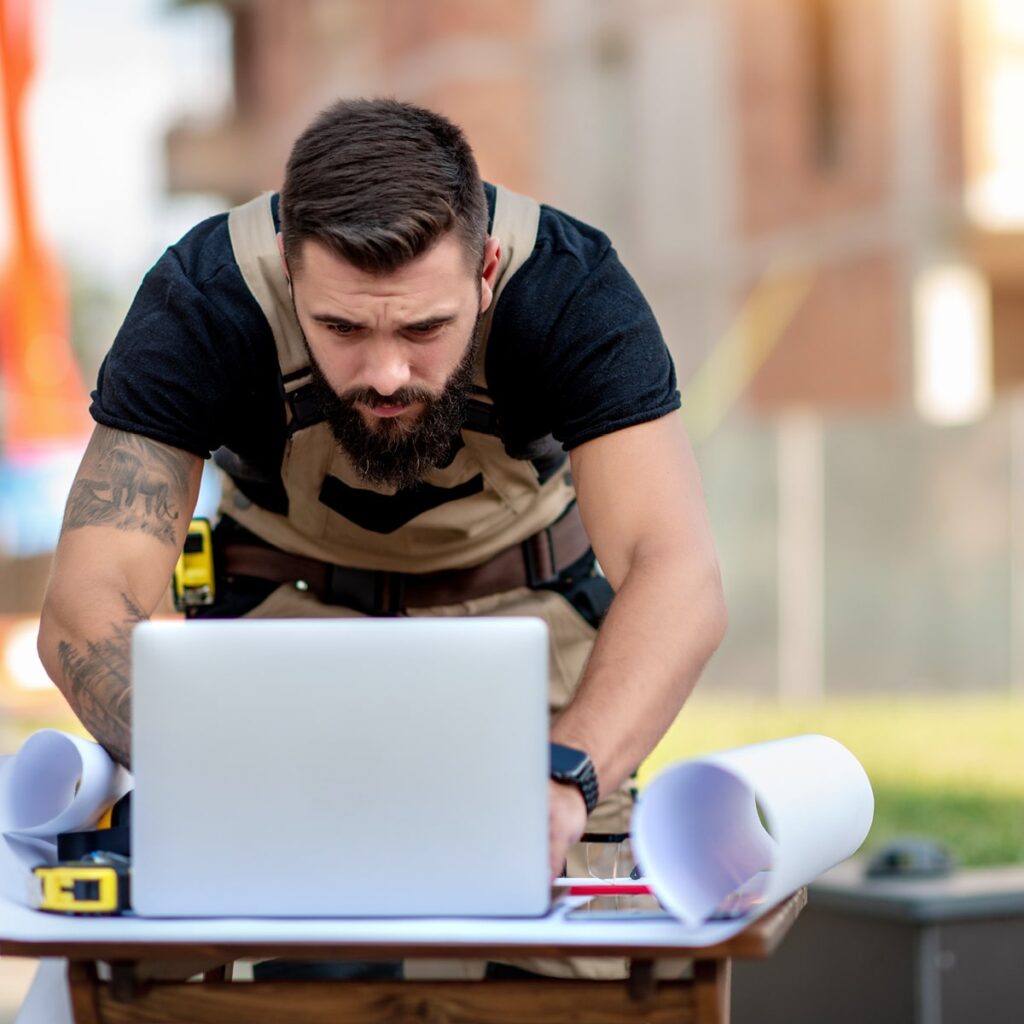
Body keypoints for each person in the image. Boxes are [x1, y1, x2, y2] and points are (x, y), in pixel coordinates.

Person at [37, 99, 726, 965]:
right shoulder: (203, 298)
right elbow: (87, 604)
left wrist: (567, 777)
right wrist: (221, 777)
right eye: (342, 328)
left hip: (533, 643)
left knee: (581, 960)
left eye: (425, 328)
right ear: (291, 276)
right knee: (246, 955)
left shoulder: (572, 288)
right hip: (282, 641)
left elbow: (677, 570)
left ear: (487, 272)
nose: (387, 372)